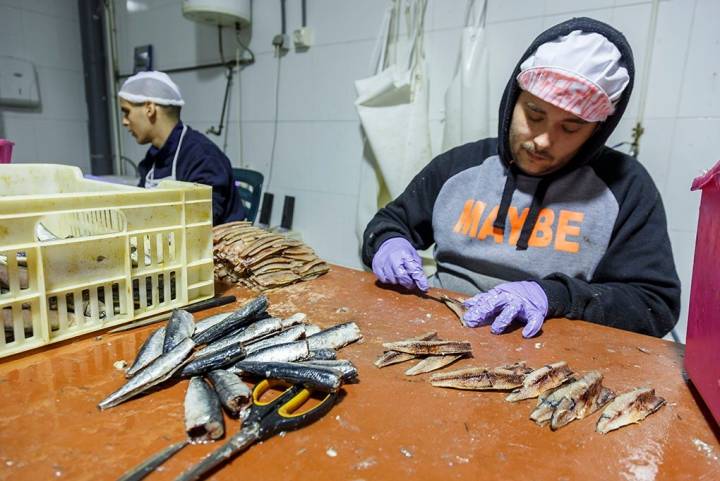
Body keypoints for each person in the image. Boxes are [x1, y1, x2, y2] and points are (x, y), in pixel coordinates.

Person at [361, 17, 680, 339]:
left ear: (598, 130)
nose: (542, 140)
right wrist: (388, 243)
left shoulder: (625, 187)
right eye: (534, 114)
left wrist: (553, 296)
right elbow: (390, 221)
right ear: (513, 100)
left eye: (570, 127)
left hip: (554, 349)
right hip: (444, 328)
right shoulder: (460, 166)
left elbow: (654, 304)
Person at [118, 71, 245, 225]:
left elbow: (200, 224)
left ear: (149, 109)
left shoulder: (202, 157)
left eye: (127, 112)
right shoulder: (154, 157)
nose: (124, 121)